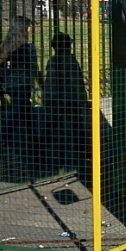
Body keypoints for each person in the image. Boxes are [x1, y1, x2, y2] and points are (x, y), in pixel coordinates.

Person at [43, 32, 88, 172]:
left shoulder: (52, 61)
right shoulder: (70, 61)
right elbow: (76, 83)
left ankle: (48, 154)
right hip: (70, 99)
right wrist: (82, 99)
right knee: (77, 126)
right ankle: (83, 153)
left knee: (53, 127)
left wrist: (47, 98)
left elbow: (49, 83)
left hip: (54, 100)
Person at [0, 16, 41, 155]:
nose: (30, 29)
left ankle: (35, 140)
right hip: (23, 85)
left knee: (26, 111)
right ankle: (3, 136)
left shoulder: (6, 45)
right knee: (17, 112)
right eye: (28, 26)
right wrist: (41, 83)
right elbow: (34, 67)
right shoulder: (28, 46)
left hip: (10, 85)